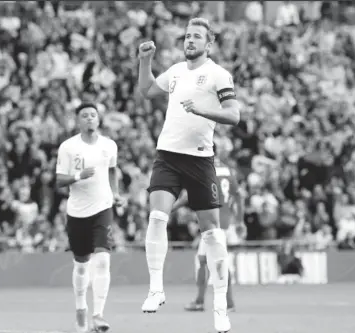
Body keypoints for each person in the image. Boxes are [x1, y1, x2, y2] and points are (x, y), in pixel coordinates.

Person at [137, 17, 240, 333]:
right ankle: (156, 289)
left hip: (199, 161)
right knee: (157, 217)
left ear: (208, 44)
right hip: (167, 156)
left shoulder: (219, 75)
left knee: (212, 234)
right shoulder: (176, 71)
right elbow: (146, 90)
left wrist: (201, 110)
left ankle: (220, 308)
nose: (190, 40)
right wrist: (145, 61)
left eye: (197, 36)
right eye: (187, 36)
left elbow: (234, 115)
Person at [55, 103, 125, 333]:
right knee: (82, 266)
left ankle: (98, 315)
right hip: (77, 211)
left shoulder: (109, 146)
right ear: (77, 121)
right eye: (84, 116)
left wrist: (115, 194)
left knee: (103, 260)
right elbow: (59, 180)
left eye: (93, 115)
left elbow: (112, 170)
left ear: (99, 119)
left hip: (102, 208)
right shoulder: (68, 147)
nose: (89, 119)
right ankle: (81, 310)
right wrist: (78, 175)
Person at [170, 153, 245, 313]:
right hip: (223, 221)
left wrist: (170, 208)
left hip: (211, 221)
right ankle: (206, 301)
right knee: (206, 259)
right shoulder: (228, 170)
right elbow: (237, 195)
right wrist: (239, 220)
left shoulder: (204, 169)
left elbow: (188, 195)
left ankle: (218, 302)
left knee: (213, 261)